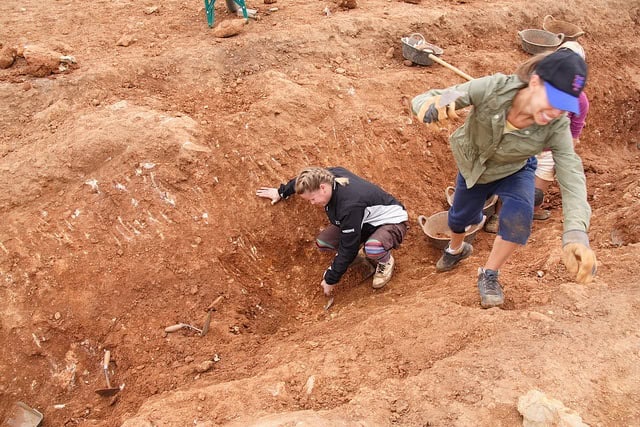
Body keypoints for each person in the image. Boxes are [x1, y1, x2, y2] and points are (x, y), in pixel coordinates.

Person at [411, 49, 597, 308]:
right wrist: (432, 105)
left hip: (515, 169)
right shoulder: (493, 88)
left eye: (564, 105)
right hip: (475, 167)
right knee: (460, 219)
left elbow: (572, 174)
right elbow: (442, 96)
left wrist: (576, 233)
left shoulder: (557, 126)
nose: (556, 111)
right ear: (535, 81)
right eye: (553, 99)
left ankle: (489, 274)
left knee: (519, 217)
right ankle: (456, 249)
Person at [484, 41, 590, 232]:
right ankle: (499, 217)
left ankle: (532, 212)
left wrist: (563, 158)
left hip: (550, 151)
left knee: (536, 193)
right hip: (526, 145)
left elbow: (574, 131)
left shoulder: (580, 101)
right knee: (514, 182)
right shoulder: (536, 84)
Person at [256, 167, 409, 295]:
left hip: (391, 222)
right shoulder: (327, 176)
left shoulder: (349, 205)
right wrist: (281, 192)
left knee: (372, 248)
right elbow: (304, 179)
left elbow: (348, 246)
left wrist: (331, 279)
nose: (312, 203)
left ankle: (385, 261)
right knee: (324, 242)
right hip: (363, 221)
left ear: (322, 188)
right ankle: (358, 256)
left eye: (312, 199)